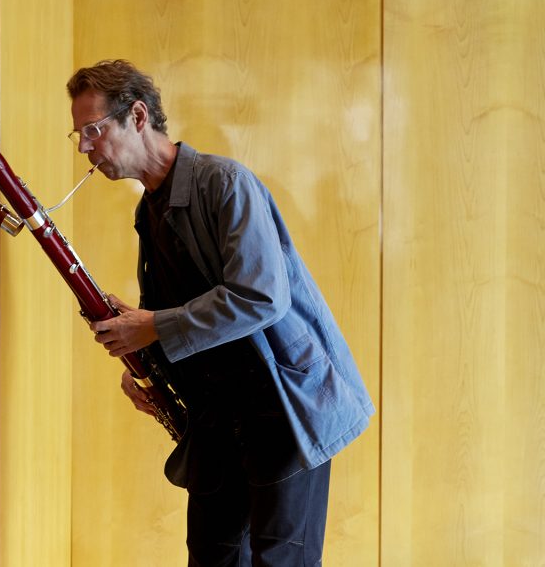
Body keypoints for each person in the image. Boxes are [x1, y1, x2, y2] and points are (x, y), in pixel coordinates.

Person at [66, 60, 374, 566]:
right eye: (78, 134)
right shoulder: (148, 208)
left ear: (137, 116)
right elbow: (174, 312)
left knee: (282, 559)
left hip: (282, 408)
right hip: (219, 418)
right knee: (213, 557)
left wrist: (152, 327)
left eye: (93, 130)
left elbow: (260, 297)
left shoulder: (223, 182)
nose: (84, 146)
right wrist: (148, 362)